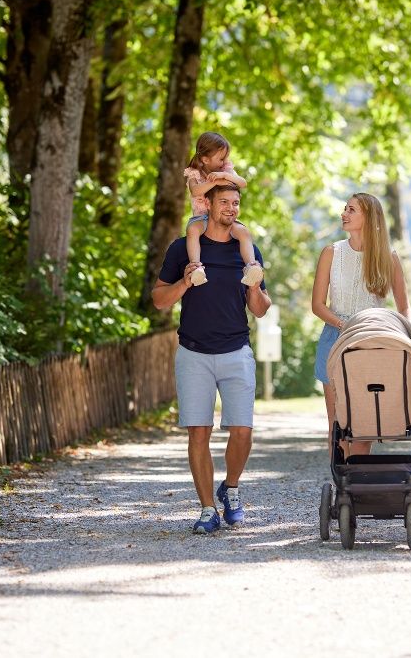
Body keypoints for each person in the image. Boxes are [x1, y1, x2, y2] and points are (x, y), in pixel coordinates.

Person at [152, 183, 272, 534]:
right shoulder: (183, 248)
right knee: (198, 432)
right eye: (225, 202)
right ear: (209, 205)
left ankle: (230, 489)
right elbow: (159, 299)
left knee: (243, 431)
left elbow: (261, 310)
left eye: (236, 203)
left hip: (236, 350)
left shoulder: (247, 249)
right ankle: (207, 509)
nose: (231, 209)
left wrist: (254, 285)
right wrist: (185, 284)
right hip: (194, 354)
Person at [311, 192, 411, 457]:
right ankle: (343, 486)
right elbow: (318, 305)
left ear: (369, 217)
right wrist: (344, 324)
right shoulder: (331, 253)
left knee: (364, 424)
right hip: (335, 339)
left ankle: (358, 484)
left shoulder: (388, 258)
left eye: (351, 210)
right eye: (345, 209)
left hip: (371, 343)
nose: (344, 213)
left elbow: (404, 307)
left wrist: (406, 336)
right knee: (337, 423)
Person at [183, 131, 264, 289]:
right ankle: (196, 268)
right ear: (205, 159)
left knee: (243, 232)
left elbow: (242, 183)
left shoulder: (226, 169)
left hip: (223, 218)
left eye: (225, 157)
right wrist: (213, 182)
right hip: (202, 218)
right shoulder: (193, 172)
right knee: (192, 230)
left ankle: (251, 267)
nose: (224, 161)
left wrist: (225, 176)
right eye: (221, 158)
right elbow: (195, 191)